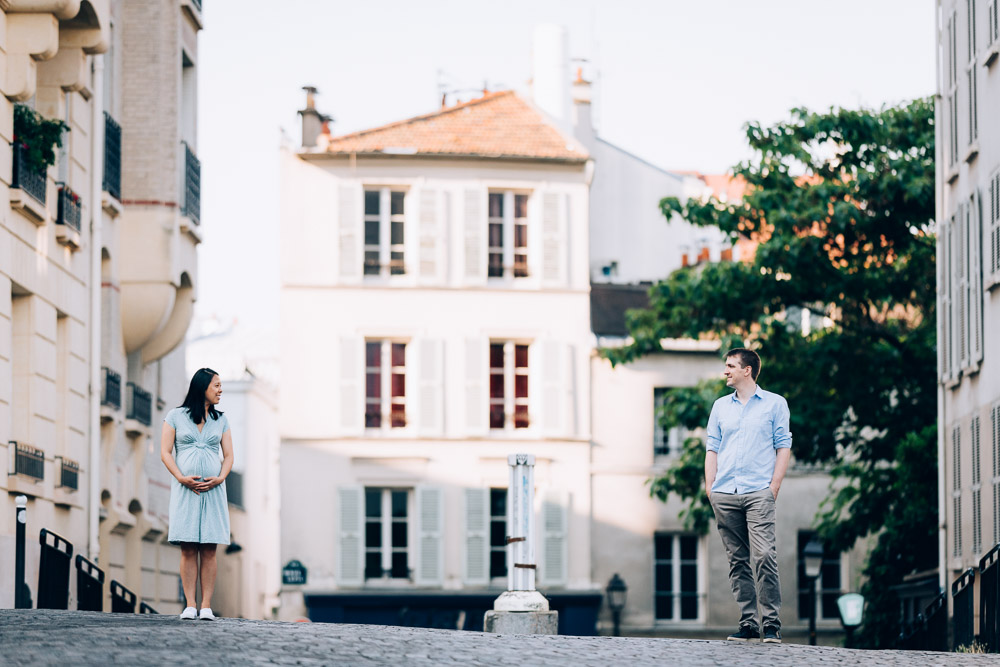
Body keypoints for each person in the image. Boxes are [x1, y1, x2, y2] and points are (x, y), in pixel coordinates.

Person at [705, 348, 791, 644]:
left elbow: (783, 445)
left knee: (764, 555)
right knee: (737, 560)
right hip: (725, 493)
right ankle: (749, 623)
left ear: (748, 370)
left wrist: (774, 486)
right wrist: (710, 488)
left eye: (731, 366)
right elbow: (712, 447)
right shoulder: (720, 406)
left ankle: (771, 624)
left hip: (758, 492)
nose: (725, 371)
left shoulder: (775, 404)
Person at [160, 367, 234, 621]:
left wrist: (220, 478)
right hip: (185, 490)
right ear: (202, 387)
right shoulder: (175, 416)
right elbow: (165, 452)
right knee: (188, 548)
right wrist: (181, 477)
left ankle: (206, 606)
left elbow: (229, 456)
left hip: (214, 491)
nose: (220, 390)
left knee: (210, 549)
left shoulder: (221, 420)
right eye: (216, 385)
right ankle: (190, 605)